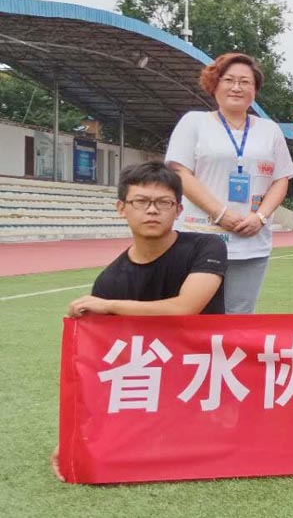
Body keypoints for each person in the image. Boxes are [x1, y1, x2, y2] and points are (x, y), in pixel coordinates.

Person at [53, 162, 227, 481]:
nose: (152, 210)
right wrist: (75, 433)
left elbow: (186, 308)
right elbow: (103, 364)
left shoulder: (206, 246)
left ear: (178, 209)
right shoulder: (110, 281)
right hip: (151, 387)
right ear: (122, 208)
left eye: (163, 202)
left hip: (207, 380)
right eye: (141, 201)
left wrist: (110, 306)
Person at [165, 52, 293, 313]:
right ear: (214, 85)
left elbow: (281, 179)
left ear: (255, 90)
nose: (237, 87)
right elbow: (181, 173)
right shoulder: (194, 122)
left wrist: (260, 217)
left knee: (239, 317)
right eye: (229, 80)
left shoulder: (269, 130)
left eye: (245, 82)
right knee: (195, 315)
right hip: (199, 236)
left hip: (251, 241)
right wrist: (220, 214)